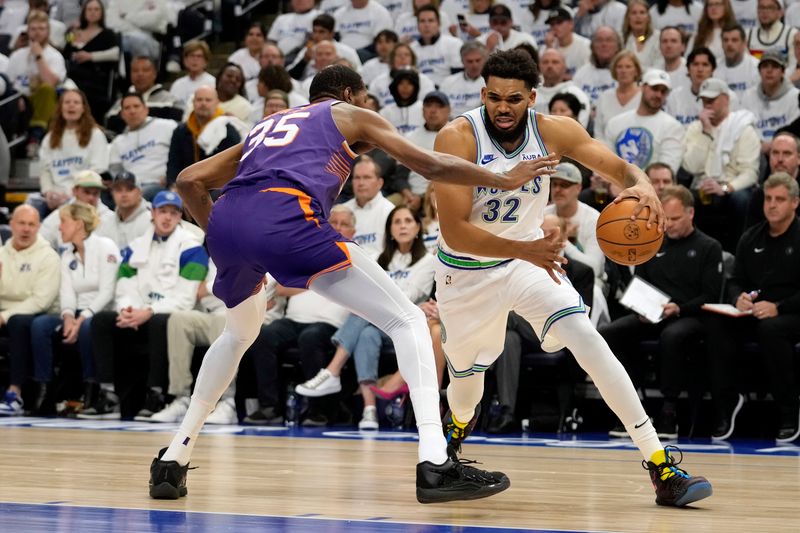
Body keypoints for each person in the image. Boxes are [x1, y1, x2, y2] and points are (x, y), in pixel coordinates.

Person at [150, 64, 559, 503]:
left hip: (230, 223)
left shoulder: (268, 124)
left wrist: (226, 240)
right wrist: (502, 177)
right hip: (285, 215)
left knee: (237, 334)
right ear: (348, 93)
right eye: (366, 99)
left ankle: (172, 460)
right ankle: (435, 462)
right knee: (409, 321)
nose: (369, 108)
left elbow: (190, 180)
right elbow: (428, 163)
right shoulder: (347, 112)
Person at [432, 49, 711, 507]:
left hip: (527, 261)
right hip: (465, 272)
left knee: (588, 338)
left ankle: (661, 465)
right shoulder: (457, 137)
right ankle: (455, 433)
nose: (504, 107)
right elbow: (456, 232)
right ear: (483, 94)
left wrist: (640, 183)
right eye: (495, 97)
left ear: (532, 98)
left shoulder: (554, 130)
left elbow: (618, 168)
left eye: (514, 98)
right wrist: (526, 247)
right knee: (467, 384)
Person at [600, 185, 723, 439]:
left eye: (675, 219)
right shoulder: (652, 241)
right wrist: (641, 307)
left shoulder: (709, 246)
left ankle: (669, 410)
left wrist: (679, 307)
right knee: (610, 333)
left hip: (689, 314)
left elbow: (710, 295)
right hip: (653, 312)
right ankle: (628, 406)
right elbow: (639, 284)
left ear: (691, 213)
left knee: (672, 337)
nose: (669, 224)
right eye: (665, 218)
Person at [703, 172, 800, 442]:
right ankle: (728, 402)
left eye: (779, 199)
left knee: (772, 330)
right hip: (754, 311)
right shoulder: (750, 237)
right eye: (768, 198)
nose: (772, 204)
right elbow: (736, 280)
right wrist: (739, 298)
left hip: (791, 314)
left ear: (795, 202)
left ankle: (789, 411)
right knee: (715, 324)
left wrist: (779, 307)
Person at [29, 202, 120, 415]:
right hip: (77, 313)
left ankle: (93, 391)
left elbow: (108, 292)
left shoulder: (106, 246)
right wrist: (68, 317)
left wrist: (81, 319)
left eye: (63, 221)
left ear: (78, 224)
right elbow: (67, 293)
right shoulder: (67, 255)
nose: (59, 227)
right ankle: (45, 391)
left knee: (89, 326)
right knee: (40, 325)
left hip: (103, 313)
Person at [0, 205, 61, 416]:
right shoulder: (1, 254)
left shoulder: (48, 256)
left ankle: (14, 393)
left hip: (38, 314)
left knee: (18, 322)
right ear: (11, 225)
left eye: (31, 224)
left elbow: (41, 301)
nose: (26, 229)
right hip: (4, 312)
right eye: (21, 223)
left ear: (39, 227)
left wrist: (5, 316)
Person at [34, 88, 109, 218]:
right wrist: (48, 193)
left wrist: (72, 194)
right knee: (31, 205)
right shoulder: (49, 138)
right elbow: (44, 170)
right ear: (60, 108)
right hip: (55, 198)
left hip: (83, 196)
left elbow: (97, 170)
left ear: (83, 108)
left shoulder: (95, 135)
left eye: (76, 102)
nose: (71, 105)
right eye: (67, 102)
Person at [603, 68, 685, 174]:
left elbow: (667, 171)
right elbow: (606, 162)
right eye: (655, 89)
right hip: (616, 185)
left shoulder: (673, 127)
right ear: (642, 87)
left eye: (663, 91)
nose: (658, 95)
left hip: (652, 187)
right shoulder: (615, 123)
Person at [109, 93, 178, 200]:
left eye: (136, 106)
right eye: (127, 108)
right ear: (122, 114)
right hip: (131, 188)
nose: (132, 111)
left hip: (160, 185)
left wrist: (171, 178)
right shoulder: (117, 142)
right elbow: (116, 173)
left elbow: (182, 153)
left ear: (146, 109)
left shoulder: (167, 126)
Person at [61, 0, 120, 122]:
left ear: (102, 13)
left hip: (95, 78)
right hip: (73, 75)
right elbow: (66, 52)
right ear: (84, 12)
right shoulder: (74, 32)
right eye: (89, 9)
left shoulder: (108, 34)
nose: (93, 13)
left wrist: (91, 56)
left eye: (96, 9)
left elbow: (115, 54)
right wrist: (71, 35)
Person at [594, 50, 642, 143]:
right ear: (614, 71)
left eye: (628, 67)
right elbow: (598, 132)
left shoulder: (643, 97)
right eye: (619, 67)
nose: (623, 71)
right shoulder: (605, 96)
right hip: (606, 152)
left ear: (636, 71)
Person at [544, 6, 591, 78]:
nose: (555, 27)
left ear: (571, 24)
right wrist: (549, 48)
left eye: (559, 22)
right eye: (552, 24)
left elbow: (588, 76)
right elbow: (545, 76)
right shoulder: (547, 46)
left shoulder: (585, 45)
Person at [715, 24, 760, 99]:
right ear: (721, 43)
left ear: (744, 43)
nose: (729, 44)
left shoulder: (756, 67)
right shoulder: (714, 67)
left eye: (734, 40)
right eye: (725, 40)